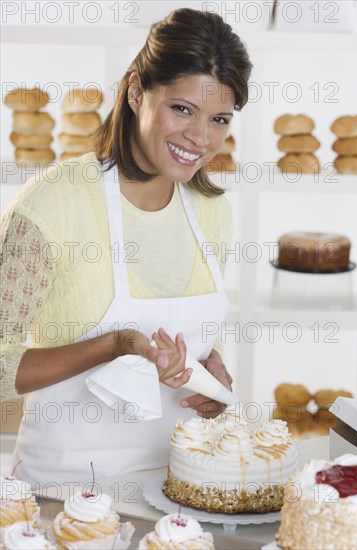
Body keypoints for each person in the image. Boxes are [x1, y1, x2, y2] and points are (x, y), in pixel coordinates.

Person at [0, 8, 252, 487]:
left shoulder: (211, 211)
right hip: (64, 492)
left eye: (218, 119)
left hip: (182, 487)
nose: (200, 138)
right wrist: (113, 346)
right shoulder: (53, 204)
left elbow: (193, 333)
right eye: (182, 109)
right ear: (137, 92)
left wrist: (211, 370)